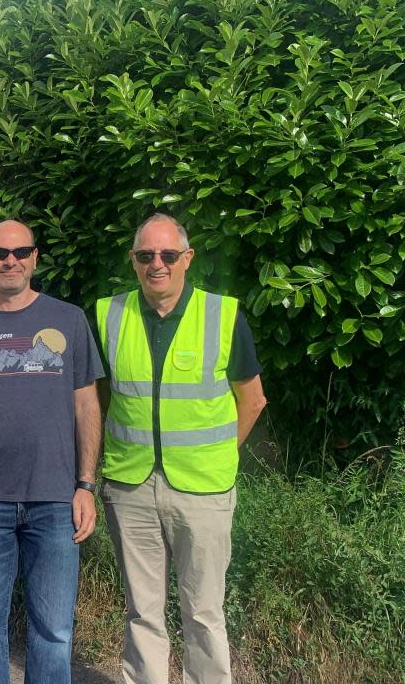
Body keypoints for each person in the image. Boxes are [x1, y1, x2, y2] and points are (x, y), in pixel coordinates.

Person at [95, 213, 267, 684]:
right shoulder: (108, 314)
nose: (157, 264)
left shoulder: (223, 314)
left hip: (204, 490)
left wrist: (218, 455)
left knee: (205, 614)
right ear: (133, 261)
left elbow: (252, 400)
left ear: (187, 259)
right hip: (130, 488)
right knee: (141, 614)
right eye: (147, 255)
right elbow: (99, 400)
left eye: (168, 255)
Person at [0, 219, 105, 684]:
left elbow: (86, 404)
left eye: (20, 252)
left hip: (54, 500)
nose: (10, 260)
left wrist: (86, 485)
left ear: (35, 257)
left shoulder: (69, 319)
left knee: (54, 631)